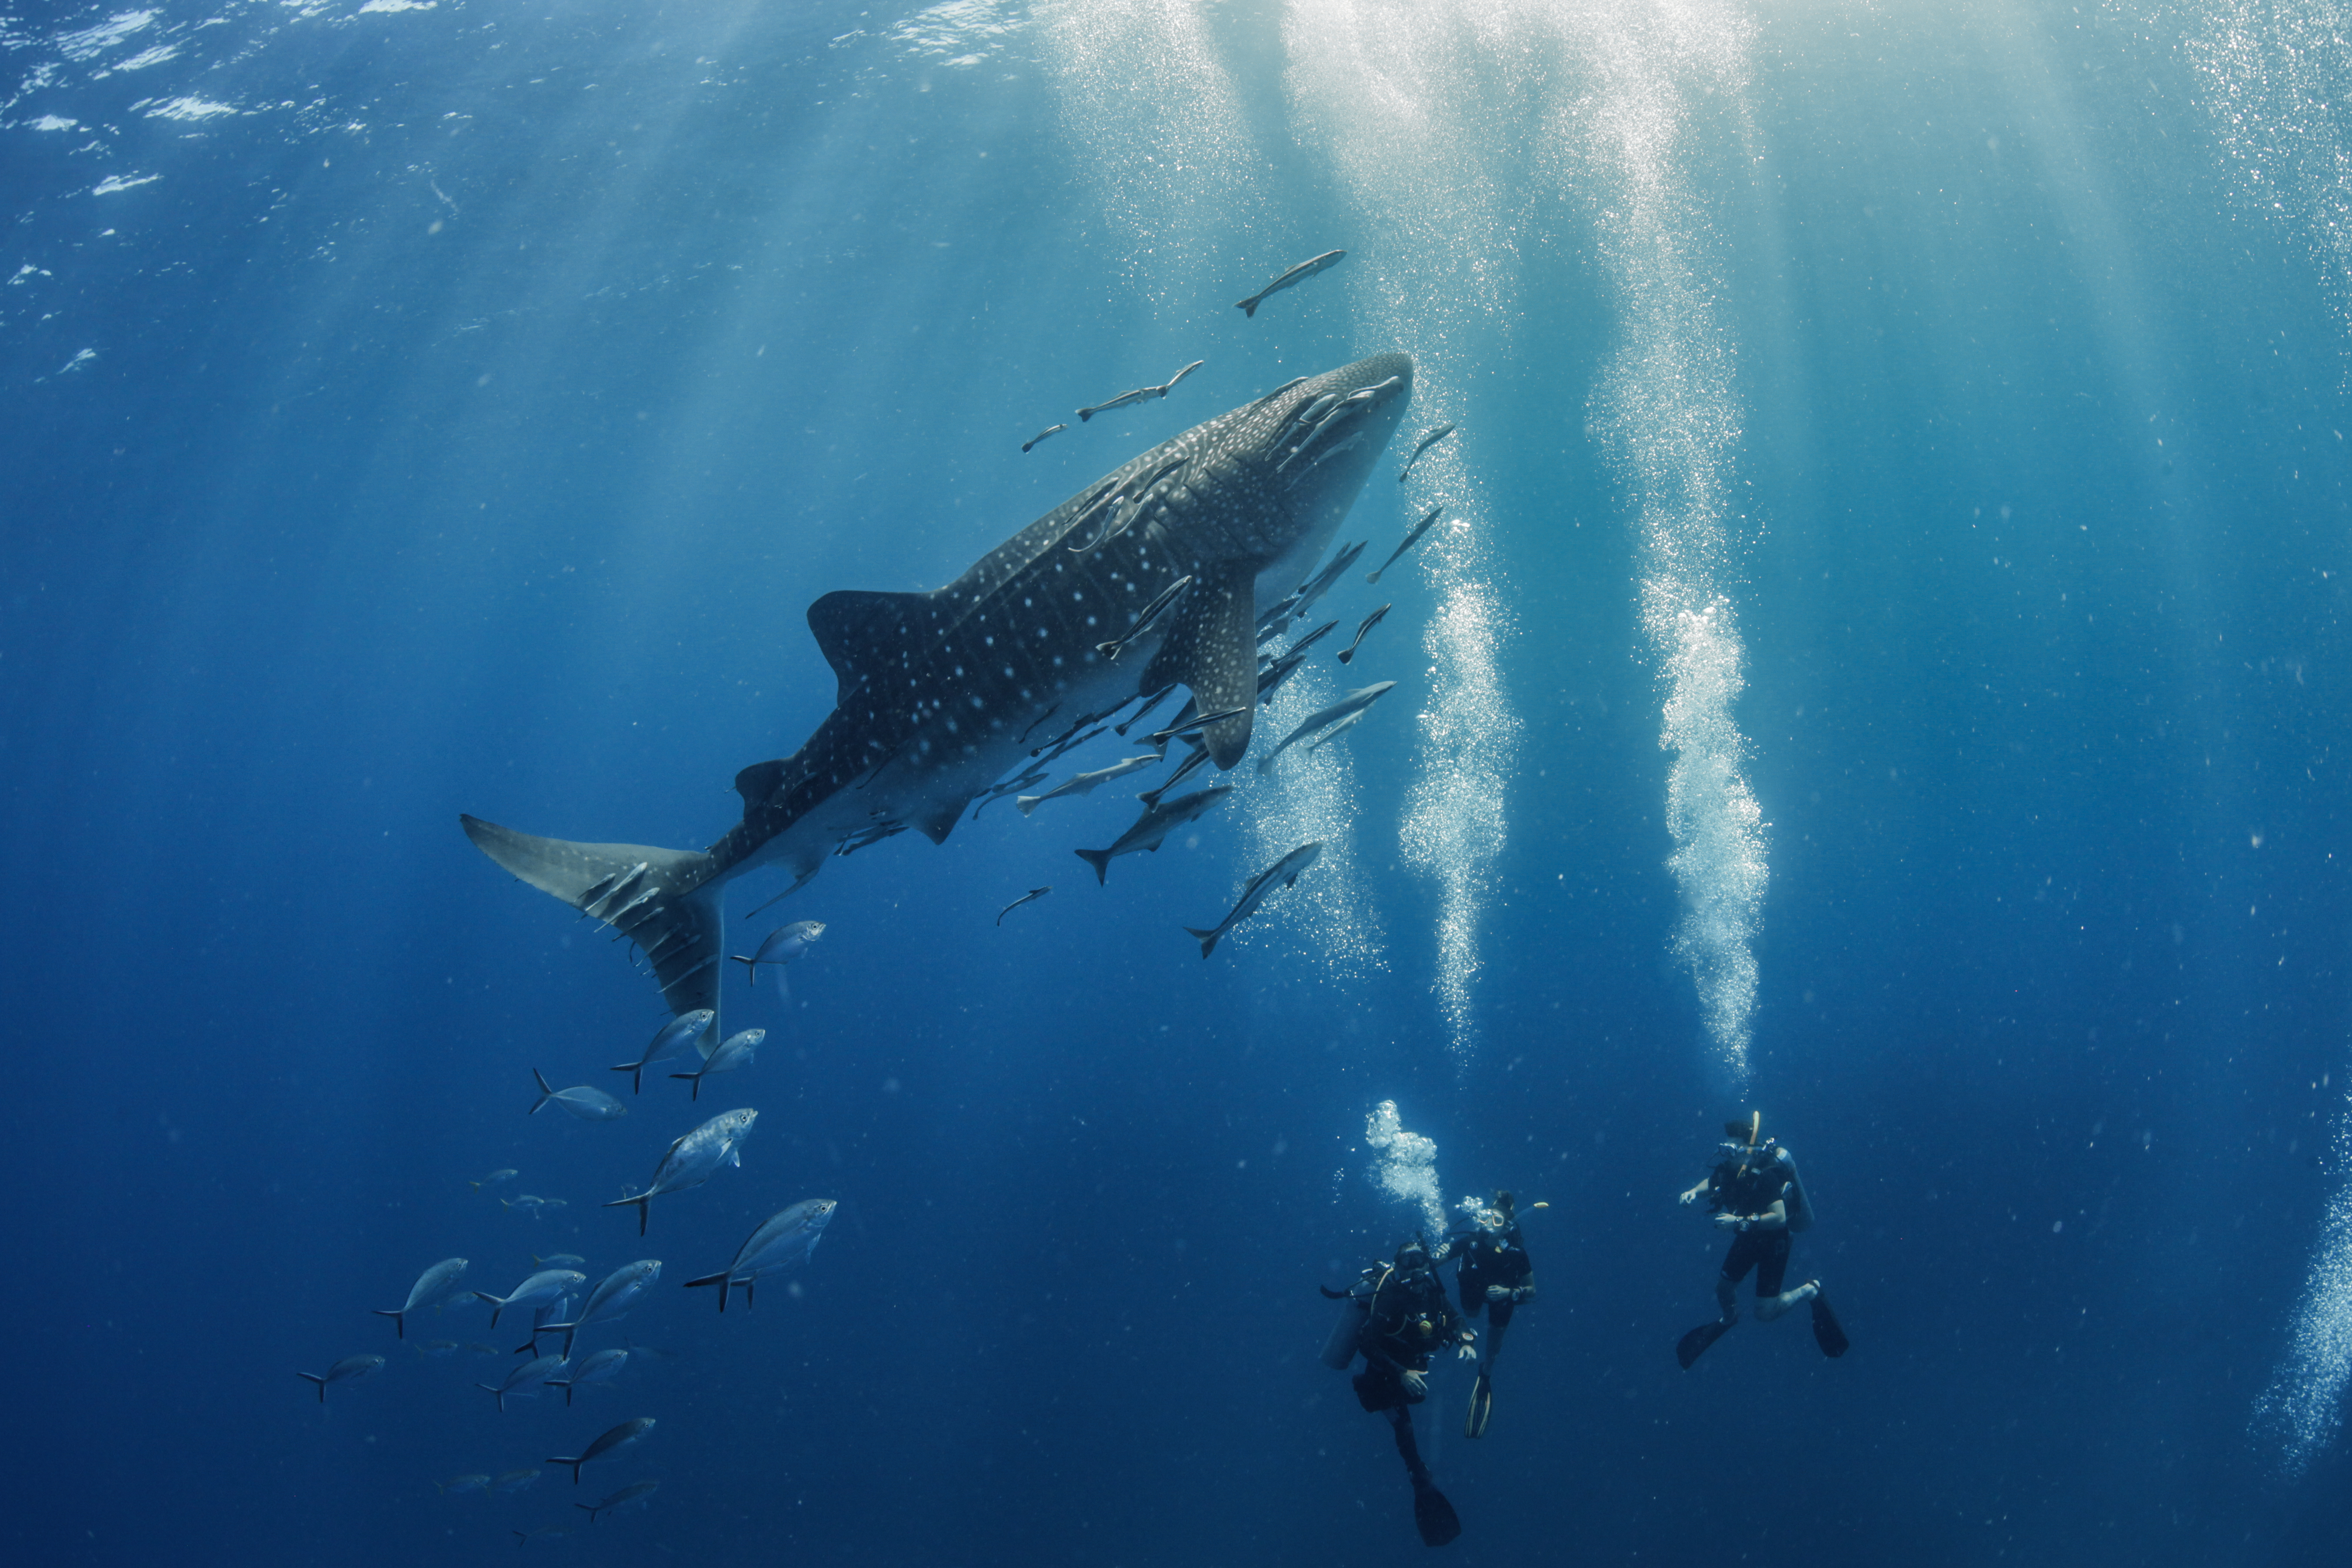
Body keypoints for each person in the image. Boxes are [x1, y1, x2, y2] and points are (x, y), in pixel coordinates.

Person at [1325, 1237, 1475, 1547]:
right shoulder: (1391, 1296)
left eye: (1420, 1259)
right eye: (1407, 1261)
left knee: (1416, 1399)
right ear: (1397, 1265)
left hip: (1412, 1368)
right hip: (1384, 1374)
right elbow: (1367, 1343)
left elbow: (1454, 1317)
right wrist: (1402, 1373)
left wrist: (1465, 1339)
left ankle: (1419, 1472)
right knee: (1403, 1425)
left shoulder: (1433, 1291)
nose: (1416, 1266)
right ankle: (1417, 1474)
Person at [1673, 1113, 1848, 1369]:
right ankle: (1730, 1318)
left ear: (1745, 1144)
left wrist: (1739, 1222)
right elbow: (1712, 1183)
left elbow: (1779, 1218)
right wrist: (1692, 1192)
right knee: (1723, 1290)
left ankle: (1811, 1290)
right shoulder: (1731, 1169)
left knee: (1765, 1314)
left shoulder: (1764, 1173)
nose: (1725, 1150)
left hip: (1774, 1242)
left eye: (1730, 1144)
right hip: (1749, 1236)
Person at [1450, 1190, 1536, 1438]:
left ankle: (1486, 1372)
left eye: (1497, 1221)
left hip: (1502, 1298)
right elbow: (1439, 1258)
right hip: (1474, 1294)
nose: (1490, 1224)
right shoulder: (1469, 1243)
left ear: (1507, 1227)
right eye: (1487, 1217)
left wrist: (1510, 1292)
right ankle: (1468, 1336)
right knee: (1471, 1313)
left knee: (1494, 1341)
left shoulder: (1516, 1253)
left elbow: (1531, 1290)